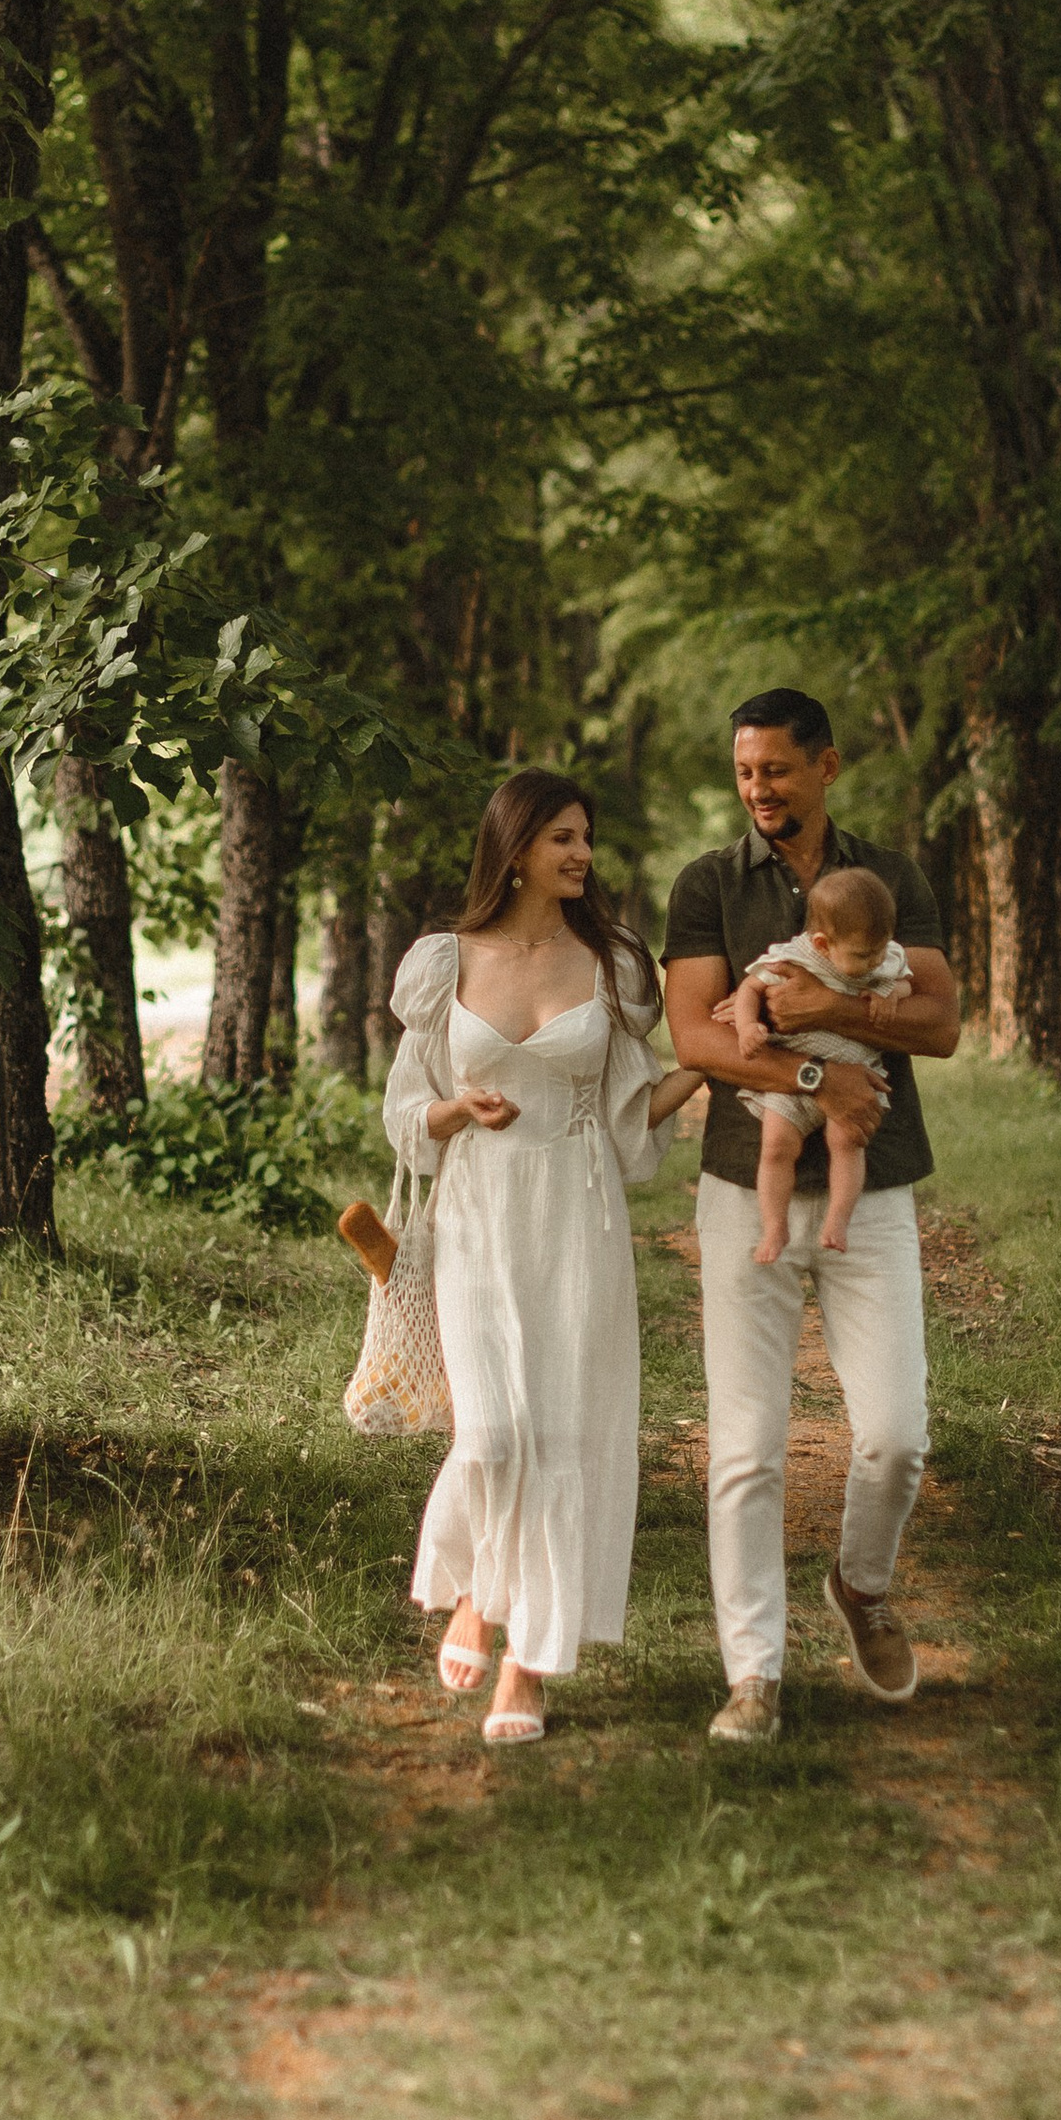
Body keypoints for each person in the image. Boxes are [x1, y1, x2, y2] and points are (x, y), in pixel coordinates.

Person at [661, 689, 962, 1745]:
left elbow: (940, 1021)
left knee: (895, 1438)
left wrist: (835, 1012)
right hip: (745, 1185)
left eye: (776, 771)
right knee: (745, 1446)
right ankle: (755, 1675)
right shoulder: (706, 884)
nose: (758, 790)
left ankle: (862, 1585)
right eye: (745, 773)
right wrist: (811, 1076)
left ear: (826, 766)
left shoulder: (888, 880)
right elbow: (696, 1036)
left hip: (875, 1189)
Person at [383, 769, 699, 1746]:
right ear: (514, 846)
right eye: (562, 836)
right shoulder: (444, 962)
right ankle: (475, 1582)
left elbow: (625, 1113)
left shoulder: (610, 964)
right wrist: (453, 1109)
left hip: (578, 1212)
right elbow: (404, 1110)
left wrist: (711, 1064)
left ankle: (526, 1660)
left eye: (585, 838)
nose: (580, 854)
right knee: (489, 1436)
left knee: (566, 1437)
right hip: (477, 1212)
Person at [724, 863, 914, 1264]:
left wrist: (892, 993)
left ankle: (838, 1220)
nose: (875, 961)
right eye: (864, 955)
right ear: (824, 944)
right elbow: (750, 988)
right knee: (776, 1146)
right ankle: (774, 1226)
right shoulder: (797, 958)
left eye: (881, 949)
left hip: (858, 1074)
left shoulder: (883, 955)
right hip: (791, 1073)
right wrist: (746, 1027)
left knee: (847, 1142)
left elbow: (905, 979)